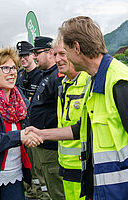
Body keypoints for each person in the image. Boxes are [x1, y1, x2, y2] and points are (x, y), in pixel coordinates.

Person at [26, 16, 128, 200]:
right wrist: (43, 134)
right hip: (105, 190)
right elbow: (85, 128)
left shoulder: (118, 82)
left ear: (76, 48)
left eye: (65, 51)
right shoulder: (95, 79)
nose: (62, 58)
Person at [0, 47, 42, 200]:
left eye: (14, 68)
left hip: (16, 177)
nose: (12, 73)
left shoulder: (21, 101)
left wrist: (33, 136)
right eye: (5, 68)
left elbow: (27, 131)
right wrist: (19, 137)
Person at [52, 38, 90, 199]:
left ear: (76, 52)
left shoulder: (89, 82)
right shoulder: (64, 83)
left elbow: (84, 128)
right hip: (66, 164)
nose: (57, 59)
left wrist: (43, 134)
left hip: (84, 167)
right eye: (54, 54)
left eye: (62, 53)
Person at [29, 36, 65, 200]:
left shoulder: (58, 77)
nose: (34, 56)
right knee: (47, 188)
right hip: (42, 142)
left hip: (52, 144)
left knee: (57, 191)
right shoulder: (47, 75)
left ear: (50, 53)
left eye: (37, 52)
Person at [16, 41, 49, 200]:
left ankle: (40, 195)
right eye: (20, 55)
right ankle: (30, 193)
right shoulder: (20, 76)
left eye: (26, 55)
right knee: (25, 166)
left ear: (33, 56)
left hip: (37, 130)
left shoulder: (41, 75)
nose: (23, 59)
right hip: (22, 128)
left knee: (38, 168)